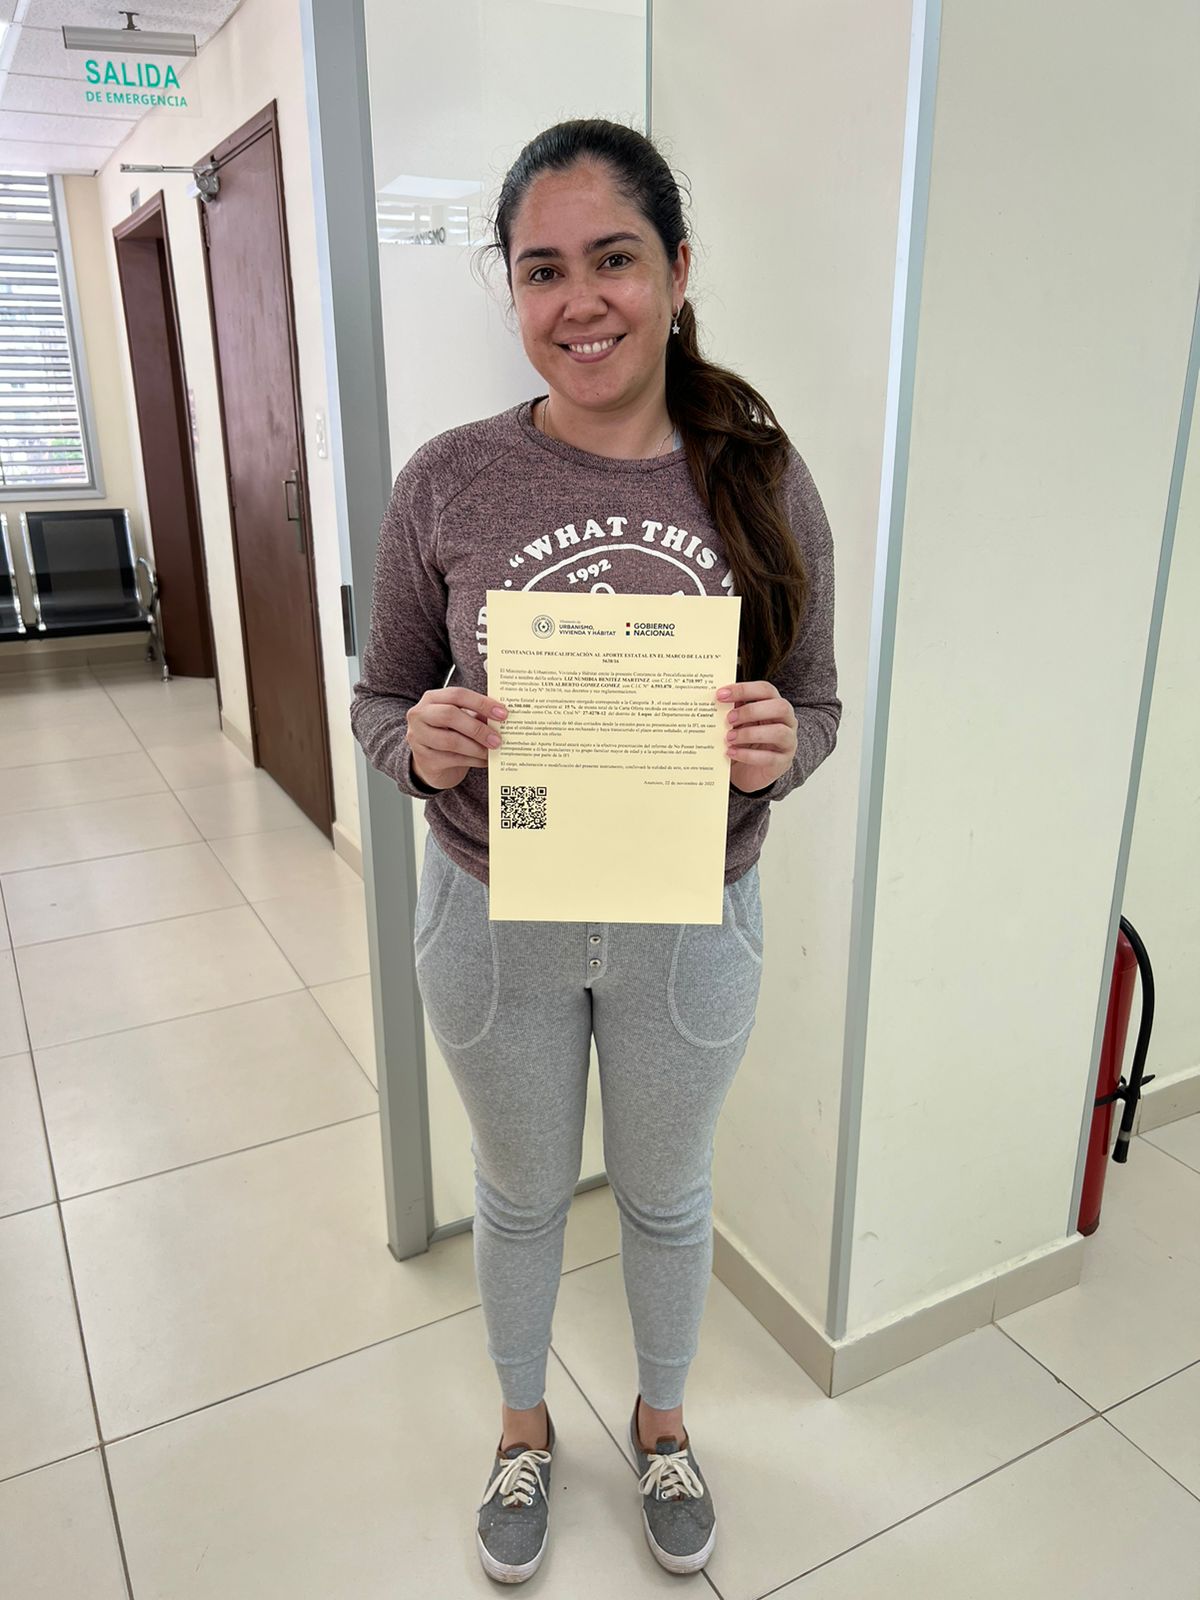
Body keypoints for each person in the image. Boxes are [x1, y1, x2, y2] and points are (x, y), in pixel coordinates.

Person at [350, 117, 840, 1584]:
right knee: (515, 1196)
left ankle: (662, 1422)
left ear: (678, 271)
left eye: (613, 258)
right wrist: (421, 743)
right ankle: (523, 1431)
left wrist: (782, 746)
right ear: (510, 289)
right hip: (494, 912)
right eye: (542, 269)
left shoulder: (761, 476)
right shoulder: (450, 479)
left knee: (669, 1196)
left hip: (692, 917)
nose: (581, 302)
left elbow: (817, 705)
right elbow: (380, 698)